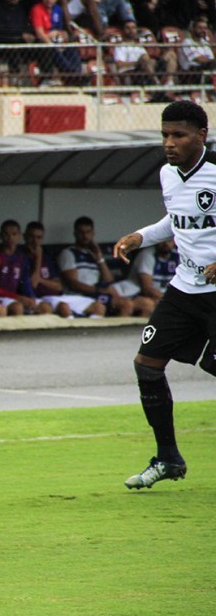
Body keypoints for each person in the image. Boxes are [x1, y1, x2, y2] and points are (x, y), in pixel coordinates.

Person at [111, 100, 216, 490]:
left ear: (201, 135)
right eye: (165, 135)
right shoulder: (168, 174)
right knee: (147, 365)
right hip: (185, 289)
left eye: (178, 135)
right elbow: (176, 220)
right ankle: (168, 458)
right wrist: (141, 236)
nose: (169, 143)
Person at [57, 215, 151, 316]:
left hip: (95, 294)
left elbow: (109, 280)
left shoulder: (94, 255)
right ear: (75, 234)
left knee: (145, 304)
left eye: (88, 232)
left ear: (93, 233)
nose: (85, 236)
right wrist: (99, 291)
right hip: (79, 296)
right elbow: (73, 284)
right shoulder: (69, 253)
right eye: (81, 232)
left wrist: (100, 259)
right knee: (125, 304)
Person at [24, 221, 107, 317]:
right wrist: (38, 257)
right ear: (25, 237)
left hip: (58, 297)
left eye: (39, 238)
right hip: (39, 299)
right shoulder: (21, 258)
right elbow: (34, 283)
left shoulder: (47, 258)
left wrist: (41, 280)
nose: (35, 242)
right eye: (31, 237)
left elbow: (59, 286)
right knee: (64, 309)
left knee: (99, 308)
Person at [0, 219, 53, 315]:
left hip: (14, 297)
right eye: (6, 234)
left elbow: (25, 281)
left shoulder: (21, 257)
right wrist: (17, 297)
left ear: (20, 236)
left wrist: (31, 297)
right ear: (0, 236)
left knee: (45, 308)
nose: (10, 238)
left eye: (14, 234)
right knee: (17, 308)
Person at [30, 0, 82, 84]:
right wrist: (51, 41)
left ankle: (78, 72)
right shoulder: (37, 9)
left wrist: (63, 34)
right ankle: (70, 71)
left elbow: (60, 30)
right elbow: (39, 33)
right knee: (52, 49)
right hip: (43, 41)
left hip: (57, 39)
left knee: (72, 46)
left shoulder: (58, 9)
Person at [111, 19, 177, 87]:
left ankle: (169, 82)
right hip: (133, 73)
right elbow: (119, 64)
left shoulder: (139, 46)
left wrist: (146, 61)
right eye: (128, 28)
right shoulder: (120, 47)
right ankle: (156, 83)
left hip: (148, 69)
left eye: (133, 28)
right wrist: (138, 62)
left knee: (170, 54)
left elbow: (147, 61)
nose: (131, 30)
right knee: (144, 58)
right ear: (123, 30)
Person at [0, 0, 37, 75]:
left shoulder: (20, 11)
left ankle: (39, 74)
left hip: (19, 43)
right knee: (14, 47)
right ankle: (14, 74)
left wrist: (29, 35)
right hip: (1, 45)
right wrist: (20, 35)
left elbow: (27, 27)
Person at [126, 239, 179, 307]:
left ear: (174, 241)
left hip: (168, 297)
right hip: (140, 295)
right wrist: (172, 301)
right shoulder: (147, 255)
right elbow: (147, 289)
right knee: (151, 304)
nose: (166, 244)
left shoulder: (178, 256)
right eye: (162, 240)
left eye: (169, 241)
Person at [61, 0, 136, 39]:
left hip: (97, 6)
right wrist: (95, 0)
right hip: (80, 8)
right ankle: (102, 33)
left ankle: (130, 27)